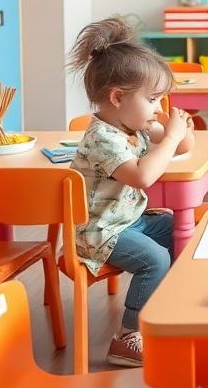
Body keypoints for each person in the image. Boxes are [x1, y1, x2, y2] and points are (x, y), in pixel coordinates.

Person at [67, 18, 195, 366]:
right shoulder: (103, 138)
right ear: (118, 97)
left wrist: (173, 127)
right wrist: (167, 137)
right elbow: (143, 177)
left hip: (127, 221)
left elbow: (183, 147)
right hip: (97, 231)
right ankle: (128, 336)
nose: (158, 107)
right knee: (155, 259)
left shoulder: (133, 124)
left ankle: (166, 309)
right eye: (153, 99)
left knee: (189, 235)